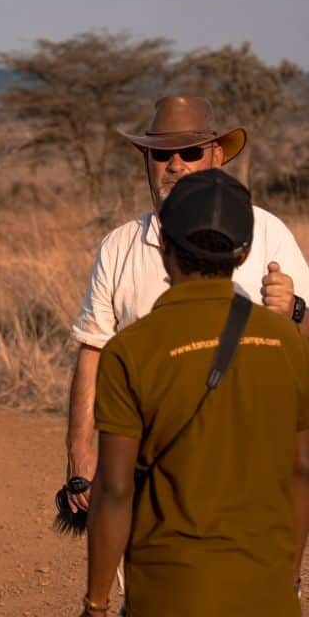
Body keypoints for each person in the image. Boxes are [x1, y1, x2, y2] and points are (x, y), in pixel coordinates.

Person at [81, 169, 309, 616]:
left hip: (169, 591)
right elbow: (302, 469)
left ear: (164, 245)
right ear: (244, 254)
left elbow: (114, 490)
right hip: (269, 593)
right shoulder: (286, 342)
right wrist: (290, 578)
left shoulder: (131, 350)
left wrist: (96, 603)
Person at [66, 95, 309, 512]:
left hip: (251, 463)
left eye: (190, 152)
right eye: (162, 154)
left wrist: (296, 312)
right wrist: (79, 452)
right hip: (147, 466)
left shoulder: (268, 232)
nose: (175, 164)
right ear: (146, 160)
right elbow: (95, 352)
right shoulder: (119, 246)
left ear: (216, 156)